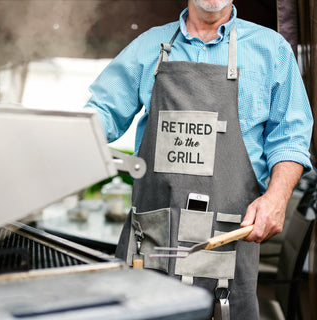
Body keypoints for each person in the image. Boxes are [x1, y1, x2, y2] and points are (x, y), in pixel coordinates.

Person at [84, 1, 313, 319]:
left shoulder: (270, 50)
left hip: (228, 243)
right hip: (151, 245)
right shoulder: (150, 46)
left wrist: (277, 196)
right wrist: (53, 129)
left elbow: (291, 138)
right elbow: (101, 114)